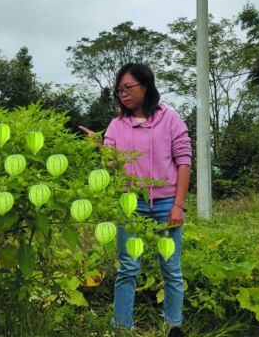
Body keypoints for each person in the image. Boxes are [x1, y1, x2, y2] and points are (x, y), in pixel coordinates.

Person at [79, 62, 191, 337]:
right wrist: (100, 150)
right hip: (130, 203)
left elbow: (184, 161)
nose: (123, 94)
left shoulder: (170, 119)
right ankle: (122, 328)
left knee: (171, 267)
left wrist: (178, 204)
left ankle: (174, 325)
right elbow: (111, 171)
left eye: (128, 87)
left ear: (146, 85)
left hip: (166, 203)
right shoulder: (117, 126)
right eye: (119, 91)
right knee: (128, 267)